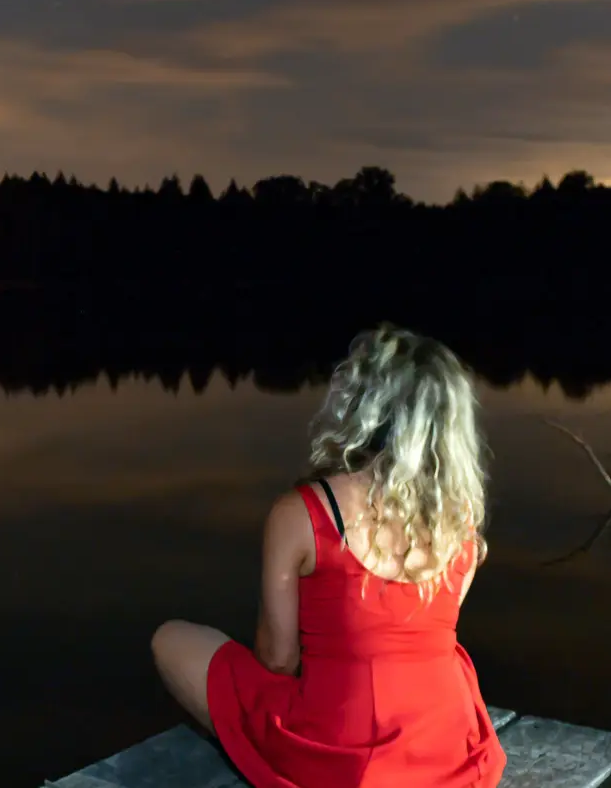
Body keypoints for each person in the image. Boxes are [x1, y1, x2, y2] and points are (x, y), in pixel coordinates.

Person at [150, 323, 505, 788]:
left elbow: (277, 659)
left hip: (345, 763)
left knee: (170, 639)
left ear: (361, 404)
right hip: (448, 753)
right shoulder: (458, 523)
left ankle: (257, 754)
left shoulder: (304, 512)